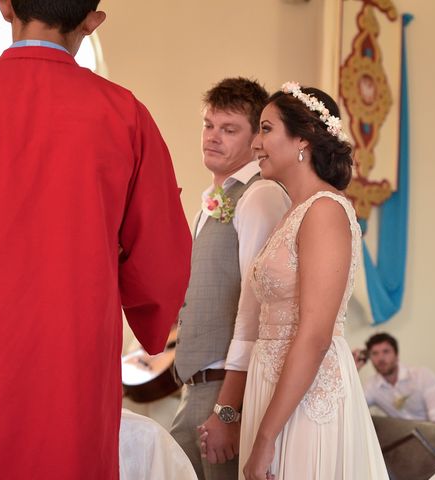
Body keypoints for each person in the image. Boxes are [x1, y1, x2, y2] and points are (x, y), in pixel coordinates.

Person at [0, 1, 192, 478]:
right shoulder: (125, 115)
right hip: (66, 349)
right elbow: (161, 259)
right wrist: (148, 319)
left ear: (4, 6)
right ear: (92, 20)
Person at [237, 82, 389, 479]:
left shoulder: (324, 211)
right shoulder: (293, 211)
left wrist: (267, 437)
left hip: (307, 395)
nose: (256, 143)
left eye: (266, 129)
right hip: (271, 384)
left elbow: (316, 333)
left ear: (302, 138)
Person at [170, 77, 291, 480]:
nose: (213, 137)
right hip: (195, 383)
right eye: (208, 125)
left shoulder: (260, 195)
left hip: (226, 387)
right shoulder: (208, 203)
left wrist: (228, 409)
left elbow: (257, 306)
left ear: (257, 137)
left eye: (229, 129)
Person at [356, 332, 435, 423]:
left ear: (396, 355)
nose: (380, 358)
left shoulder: (422, 376)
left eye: (386, 352)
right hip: (406, 438)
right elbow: (352, 408)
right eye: (375, 353)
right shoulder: (371, 386)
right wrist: (352, 368)